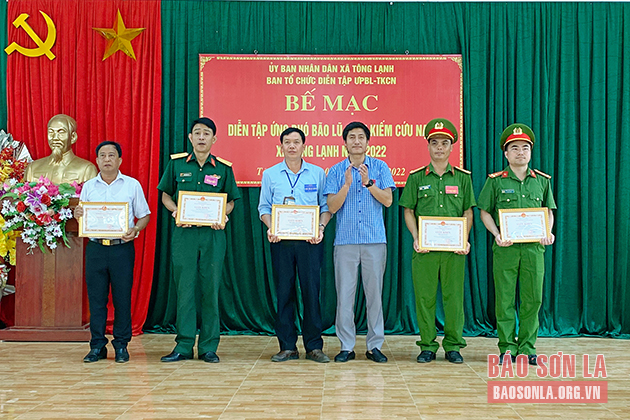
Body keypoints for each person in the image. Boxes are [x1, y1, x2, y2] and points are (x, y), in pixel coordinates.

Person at [158, 117, 240, 363]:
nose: (201, 137)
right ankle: (183, 345)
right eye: (197, 133)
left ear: (214, 139)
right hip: (184, 235)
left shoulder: (223, 168)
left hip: (213, 235)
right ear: (190, 138)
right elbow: (165, 195)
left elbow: (231, 201)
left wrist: (222, 214)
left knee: (210, 289)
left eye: (206, 133)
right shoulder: (176, 164)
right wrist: (176, 211)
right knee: (184, 289)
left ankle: (208, 346)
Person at [477, 123, 556, 366]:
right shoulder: (495, 181)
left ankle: (528, 347)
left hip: (534, 249)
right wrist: (496, 234)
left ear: (530, 152)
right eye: (514, 148)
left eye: (525, 148)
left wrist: (548, 232)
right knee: (505, 299)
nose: (520, 152)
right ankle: (507, 347)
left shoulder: (542, 181)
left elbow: (548, 210)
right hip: (506, 249)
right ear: (506, 153)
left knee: (533, 299)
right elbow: (484, 211)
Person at [399, 118, 475, 364]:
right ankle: (427, 345)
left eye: (444, 143)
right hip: (425, 249)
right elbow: (408, 210)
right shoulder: (416, 177)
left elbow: (468, 212)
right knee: (425, 299)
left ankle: (453, 346)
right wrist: (416, 237)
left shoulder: (462, 178)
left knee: (454, 298)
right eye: (434, 143)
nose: (439, 147)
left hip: (454, 251)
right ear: (428, 146)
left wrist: (464, 239)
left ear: (452, 147)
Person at [258, 127, 332, 363]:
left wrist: (320, 229)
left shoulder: (317, 173)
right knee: (284, 293)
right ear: (281, 146)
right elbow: (264, 207)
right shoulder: (270, 174)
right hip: (281, 241)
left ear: (303, 146)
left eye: (296, 142)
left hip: (310, 242)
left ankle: (314, 347)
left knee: (311, 292)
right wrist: (271, 227)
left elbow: (326, 207)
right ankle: (287, 346)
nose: (292, 146)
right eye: (287, 142)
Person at [324, 121, 395, 363]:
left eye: (361, 137)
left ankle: (374, 346)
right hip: (345, 241)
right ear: (345, 142)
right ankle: (346, 346)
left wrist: (368, 183)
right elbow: (332, 207)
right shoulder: (336, 171)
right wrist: (346, 185)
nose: (356, 141)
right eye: (352, 137)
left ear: (367, 142)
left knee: (374, 296)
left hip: (374, 241)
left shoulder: (380, 167)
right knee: (345, 296)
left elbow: (388, 201)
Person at [74, 141, 150, 363]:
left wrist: (136, 229)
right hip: (96, 249)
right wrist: (78, 214)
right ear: (97, 160)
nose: (107, 159)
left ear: (120, 160)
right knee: (96, 299)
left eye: (111, 155)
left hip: (121, 249)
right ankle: (97, 346)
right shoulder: (89, 187)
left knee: (122, 298)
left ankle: (121, 345)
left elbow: (144, 215)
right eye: (102, 155)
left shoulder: (132, 185)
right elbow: (83, 216)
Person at [26, 114, 97, 184]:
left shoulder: (87, 169)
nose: (55, 138)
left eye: (61, 132)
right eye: (51, 132)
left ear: (73, 137)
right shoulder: (32, 168)